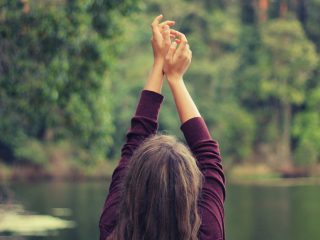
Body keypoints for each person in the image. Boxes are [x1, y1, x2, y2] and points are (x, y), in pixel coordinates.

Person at [99, 15, 226, 240]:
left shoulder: (114, 231)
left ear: (133, 183)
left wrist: (159, 63)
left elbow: (134, 142)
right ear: (190, 189)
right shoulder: (207, 234)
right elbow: (210, 158)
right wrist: (175, 78)